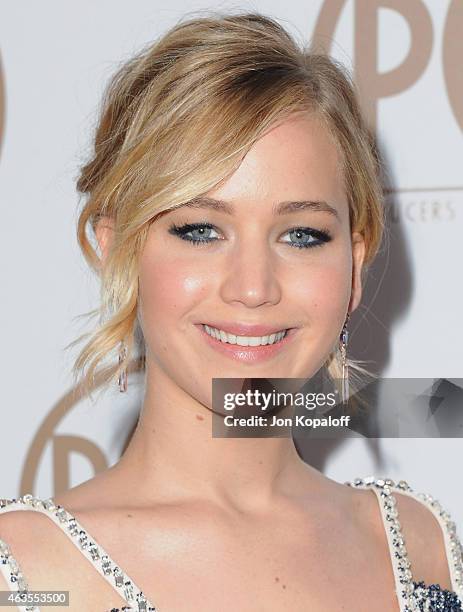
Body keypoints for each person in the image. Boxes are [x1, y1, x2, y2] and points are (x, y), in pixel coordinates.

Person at [1, 11, 462, 612]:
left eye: (301, 235)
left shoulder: (419, 545)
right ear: (119, 250)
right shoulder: (30, 577)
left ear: (355, 265)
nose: (253, 288)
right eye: (199, 230)